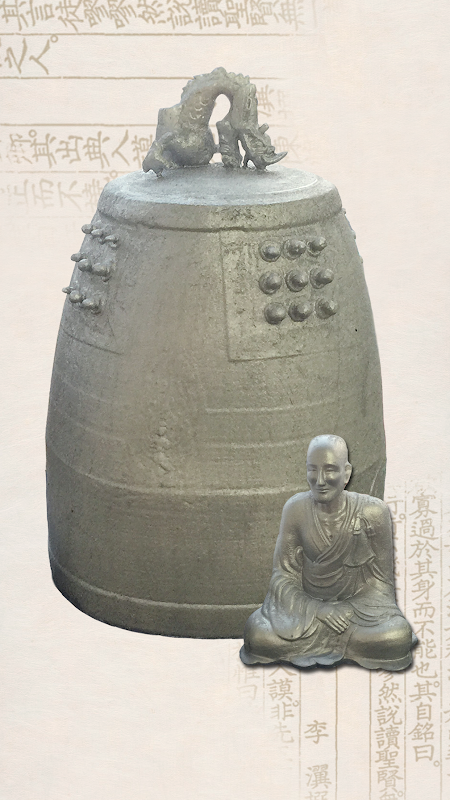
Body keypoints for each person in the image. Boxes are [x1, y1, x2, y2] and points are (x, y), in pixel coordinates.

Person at [240, 434, 417, 671]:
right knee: (257, 633)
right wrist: (320, 610)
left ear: (347, 473)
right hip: (308, 614)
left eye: (330, 470)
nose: (320, 480)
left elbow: (381, 585)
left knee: (395, 635)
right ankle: (339, 642)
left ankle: (332, 642)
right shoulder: (295, 509)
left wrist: (344, 611)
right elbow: (282, 577)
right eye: (312, 470)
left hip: (355, 613)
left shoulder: (373, 512)